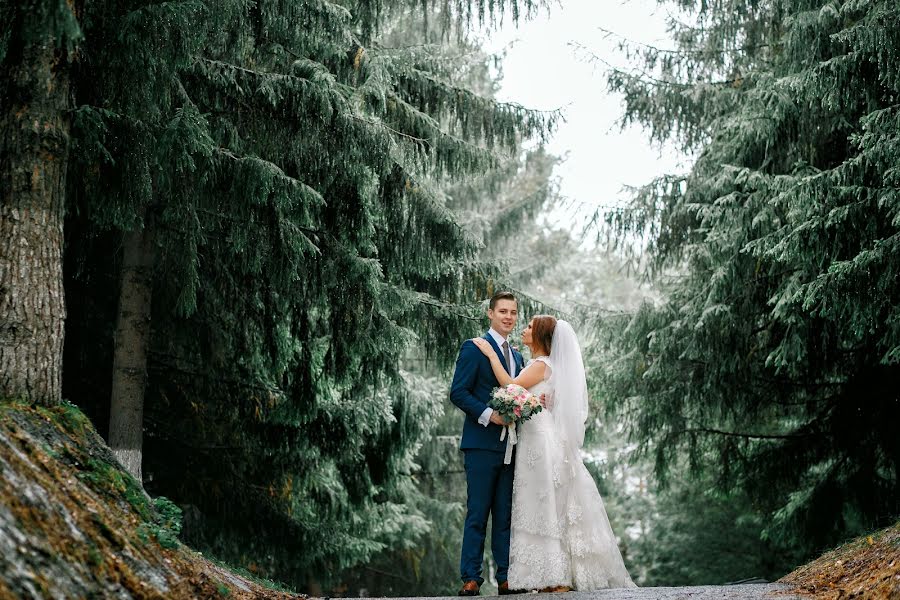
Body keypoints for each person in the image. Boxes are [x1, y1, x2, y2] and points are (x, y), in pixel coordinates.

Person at [471, 315, 636, 592]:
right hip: (536, 438)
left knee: (545, 505)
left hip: (541, 442)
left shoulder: (539, 364)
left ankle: (555, 576)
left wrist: (489, 353)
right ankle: (550, 574)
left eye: (529, 327)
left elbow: (511, 384)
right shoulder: (545, 366)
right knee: (543, 504)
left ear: (540, 337)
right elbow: (542, 396)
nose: (523, 328)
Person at [449, 291, 525, 596]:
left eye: (513, 312)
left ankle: (506, 578)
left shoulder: (518, 356)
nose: (509, 317)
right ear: (490, 314)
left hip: (511, 446)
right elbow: (458, 392)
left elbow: (519, 394)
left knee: (505, 514)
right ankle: (471, 576)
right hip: (481, 443)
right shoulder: (475, 348)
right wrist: (489, 415)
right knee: (478, 513)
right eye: (503, 311)